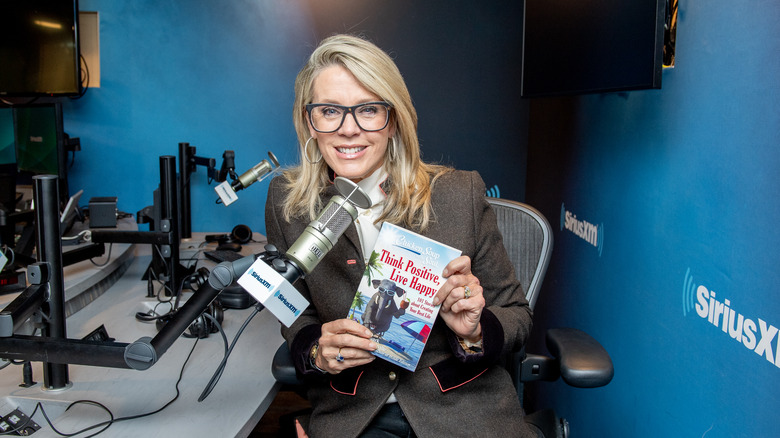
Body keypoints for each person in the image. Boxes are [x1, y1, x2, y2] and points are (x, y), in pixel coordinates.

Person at [265, 34, 534, 438]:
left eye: (368, 110)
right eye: (329, 111)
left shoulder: (459, 193)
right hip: (355, 412)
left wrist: (475, 331)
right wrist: (316, 350)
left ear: (394, 121)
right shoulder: (288, 202)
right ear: (309, 122)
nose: (348, 130)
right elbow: (293, 310)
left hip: (463, 410)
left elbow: (516, 313)